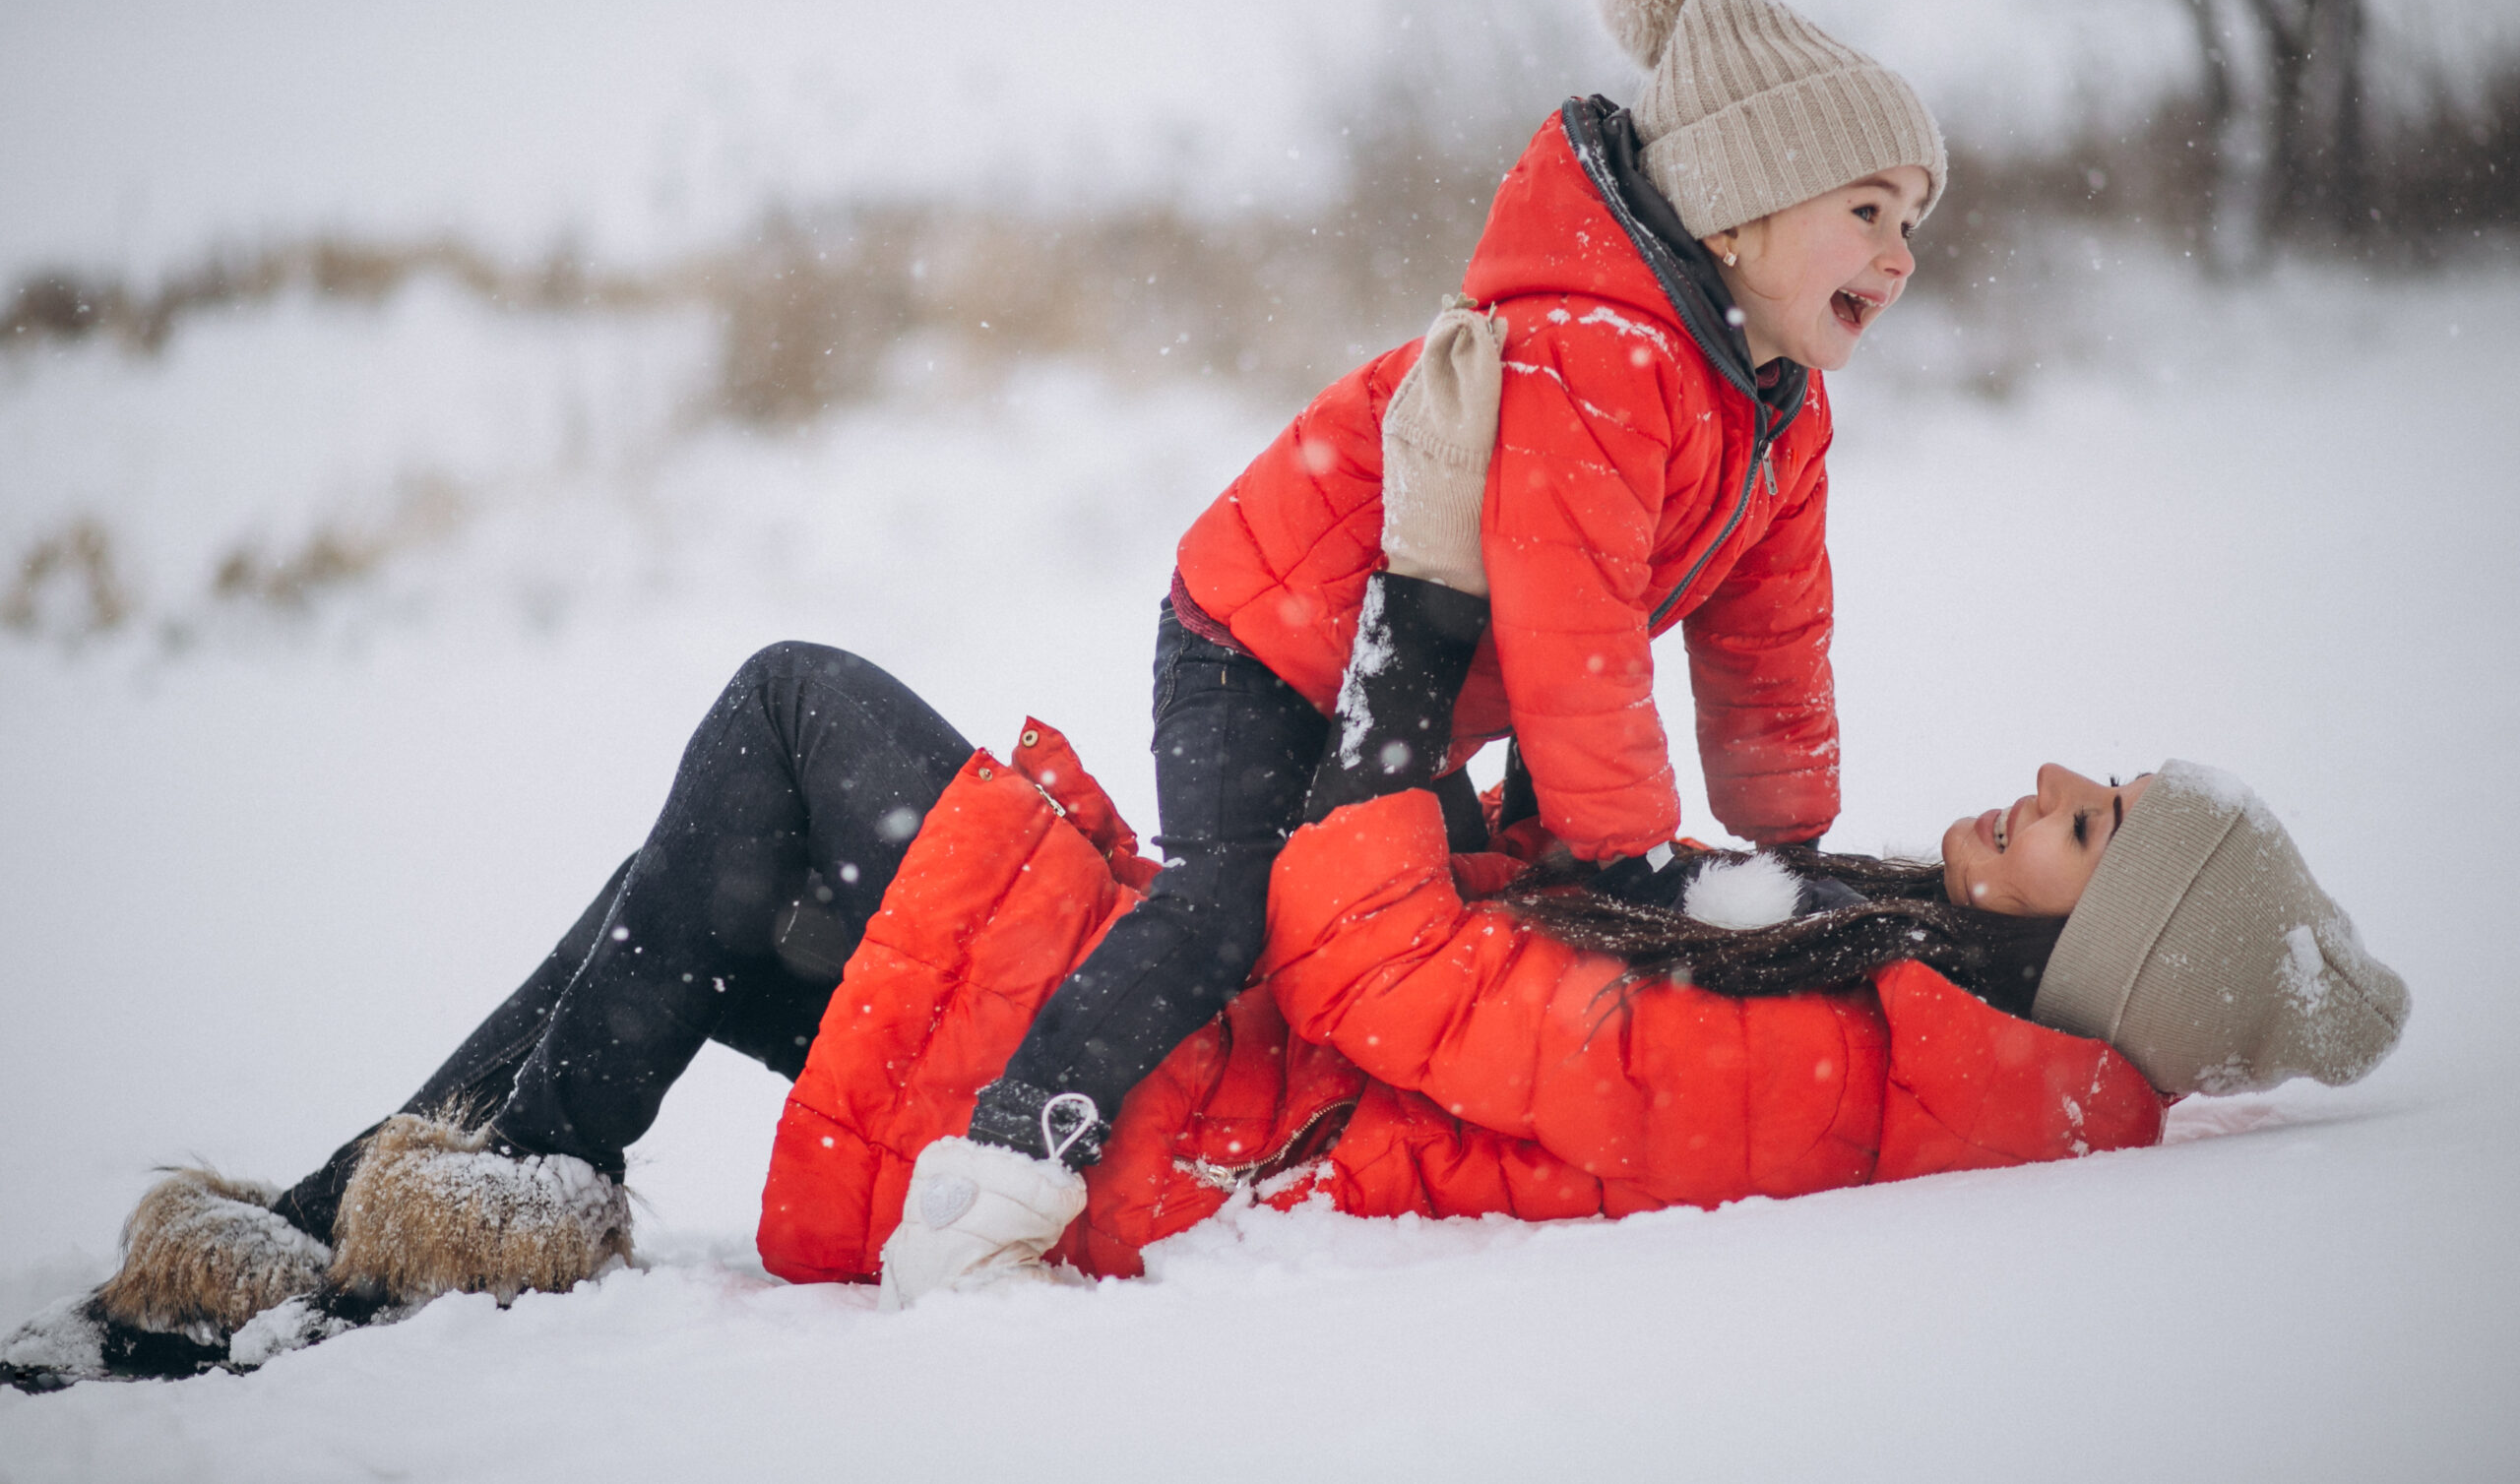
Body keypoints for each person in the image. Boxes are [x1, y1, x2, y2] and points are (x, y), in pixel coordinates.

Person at [0, 564, 2412, 1380]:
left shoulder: (1847, 1067)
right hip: (1209, 1050)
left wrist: (1373, 712)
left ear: (2096, 942)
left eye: (2085, 828)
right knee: (734, 853)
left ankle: (401, 1221)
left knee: (783, 729)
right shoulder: (1876, 987)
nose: (2038, 788)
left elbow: (1408, 1002)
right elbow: (1479, 951)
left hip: (1193, 1113)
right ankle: (377, 1231)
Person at [946, 0, 1951, 1268]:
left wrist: (1787, 853)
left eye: (1914, 222)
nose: (1899, 255)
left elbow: (1770, 638)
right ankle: (1008, 1163)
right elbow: (1573, 628)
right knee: (1237, 912)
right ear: (1739, 207)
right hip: (1259, 637)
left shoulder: (1777, 403)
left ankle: (1226, 1146)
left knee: (1411, 928)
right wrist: (1633, 858)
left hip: (1412, 671)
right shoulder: (1599, 351)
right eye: (1867, 212)